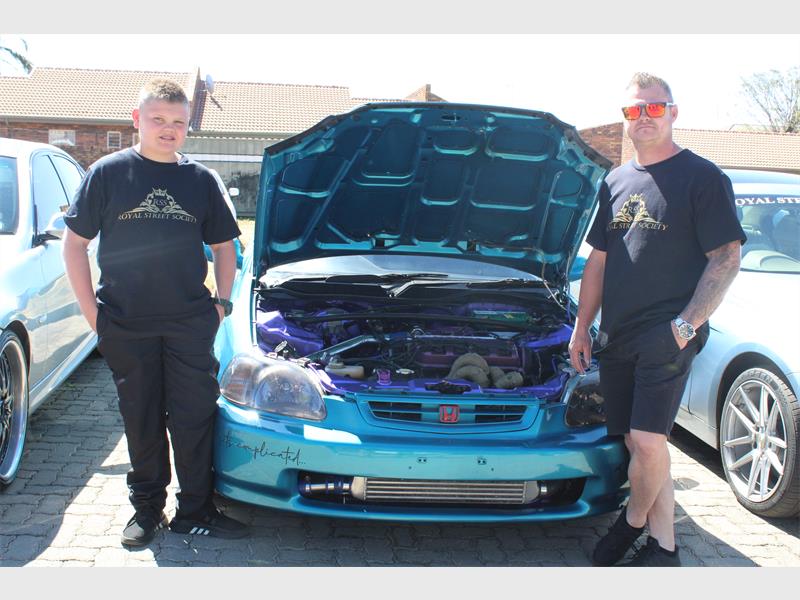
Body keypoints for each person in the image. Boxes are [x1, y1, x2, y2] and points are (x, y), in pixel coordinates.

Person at [569, 73, 745, 567]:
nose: (643, 117)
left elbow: (726, 258)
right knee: (638, 443)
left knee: (648, 441)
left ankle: (631, 521)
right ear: (625, 118)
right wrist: (582, 327)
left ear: (673, 112)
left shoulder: (703, 177)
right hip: (617, 334)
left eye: (653, 107)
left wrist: (685, 327)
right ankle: (665, 548)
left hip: (667, 335)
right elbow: (598, 261)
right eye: (633, 110)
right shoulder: (615, 181)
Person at [63, 78, 248, 547]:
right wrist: (93, 315)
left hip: (189, 323)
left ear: (188, 126)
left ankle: (196, 509)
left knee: (194, 417)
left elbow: (224, 246)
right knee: (141, 418)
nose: (169, 129)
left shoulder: (200, 180)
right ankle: (147, 509)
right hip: (125, 323)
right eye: (158, 119)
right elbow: (75, 244)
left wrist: (222, 304)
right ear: (137, 120)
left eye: (178, 122)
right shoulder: (108, 173)